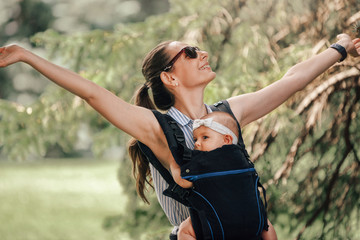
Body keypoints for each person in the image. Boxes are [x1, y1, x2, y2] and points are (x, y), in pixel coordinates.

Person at [0, 33, 359, 239]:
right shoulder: (157, 128)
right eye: (189, 53)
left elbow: (291, 80)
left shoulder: (229, 114)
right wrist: (26, 56)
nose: (201, 53)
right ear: (170, 77)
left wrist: (340, 47)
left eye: (198, 48)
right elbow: (93, 93)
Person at [175, 111, 277, 240]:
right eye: (195, 139)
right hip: (249, 221)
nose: (196, 143)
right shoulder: (243, 159)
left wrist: (172, 162)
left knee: (184, 231)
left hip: (220, 229)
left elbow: (182, 181)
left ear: (227, 139)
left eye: (204, 137)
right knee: (265, 224)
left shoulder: (203, 162)